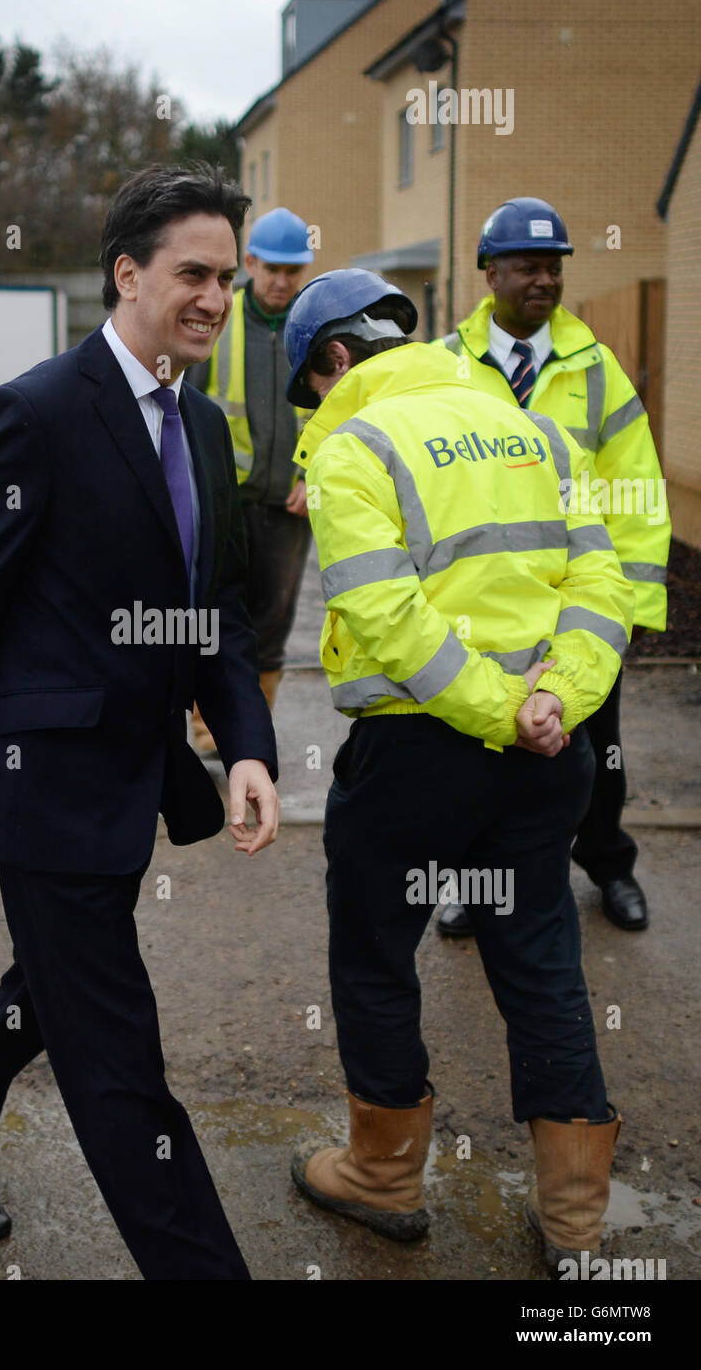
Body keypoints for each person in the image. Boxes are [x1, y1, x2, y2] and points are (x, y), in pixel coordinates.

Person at [0, 164, 280, 1280]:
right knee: (118, 1062)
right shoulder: (37, 412)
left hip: (136, 777)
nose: (213, 297)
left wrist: (244, 744)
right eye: (192, 273)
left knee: (51, 992)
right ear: (127, 274)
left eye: (227, 277)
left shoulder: (203, 426)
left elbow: (216, 612)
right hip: (45, 785)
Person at [282, 270, 633, 1271]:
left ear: (336, 360)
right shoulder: (539, 436)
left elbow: (389, 619)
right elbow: (602, 586)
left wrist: (493, 713)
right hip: (545, 752)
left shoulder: (356, 446)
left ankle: (385, 1181)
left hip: (413, 756)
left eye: (312, 386)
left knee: (374, 956)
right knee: (541, 964)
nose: (316, 408)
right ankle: (572, 1225)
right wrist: (548, 701)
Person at [436, 198, 670, 934]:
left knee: (599, 752)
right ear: (489, 271)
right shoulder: (447, 366)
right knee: (484, 752)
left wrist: (631, 608)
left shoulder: (595, 368)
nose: (544, 280)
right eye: (528, 266)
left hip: (579, 602)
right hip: (486, 601)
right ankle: (479, 888)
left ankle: (610, 867)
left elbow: (635, 490)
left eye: (555, 268)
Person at [185, 206, 314, 753]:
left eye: (294, 271)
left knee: (274, 621)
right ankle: (207, 729)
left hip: (290, 506)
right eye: (273, 269)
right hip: (226, 503)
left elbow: (340, 411)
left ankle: (250, 735)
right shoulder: (219, 319)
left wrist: (316, 475)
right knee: (212, 612)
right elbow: (185, 407)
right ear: (252, 263)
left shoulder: (316, 326)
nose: (283, 282)